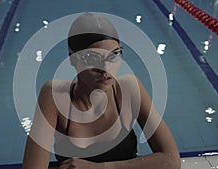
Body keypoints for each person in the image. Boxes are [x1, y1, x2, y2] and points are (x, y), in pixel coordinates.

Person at [22, 12, 181, 169]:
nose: (105, 68)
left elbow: (171, 160)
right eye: (92, 58)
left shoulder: (129, 89)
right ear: (73, 58)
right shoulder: (54, 95)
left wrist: (100, 168)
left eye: (113, 55)